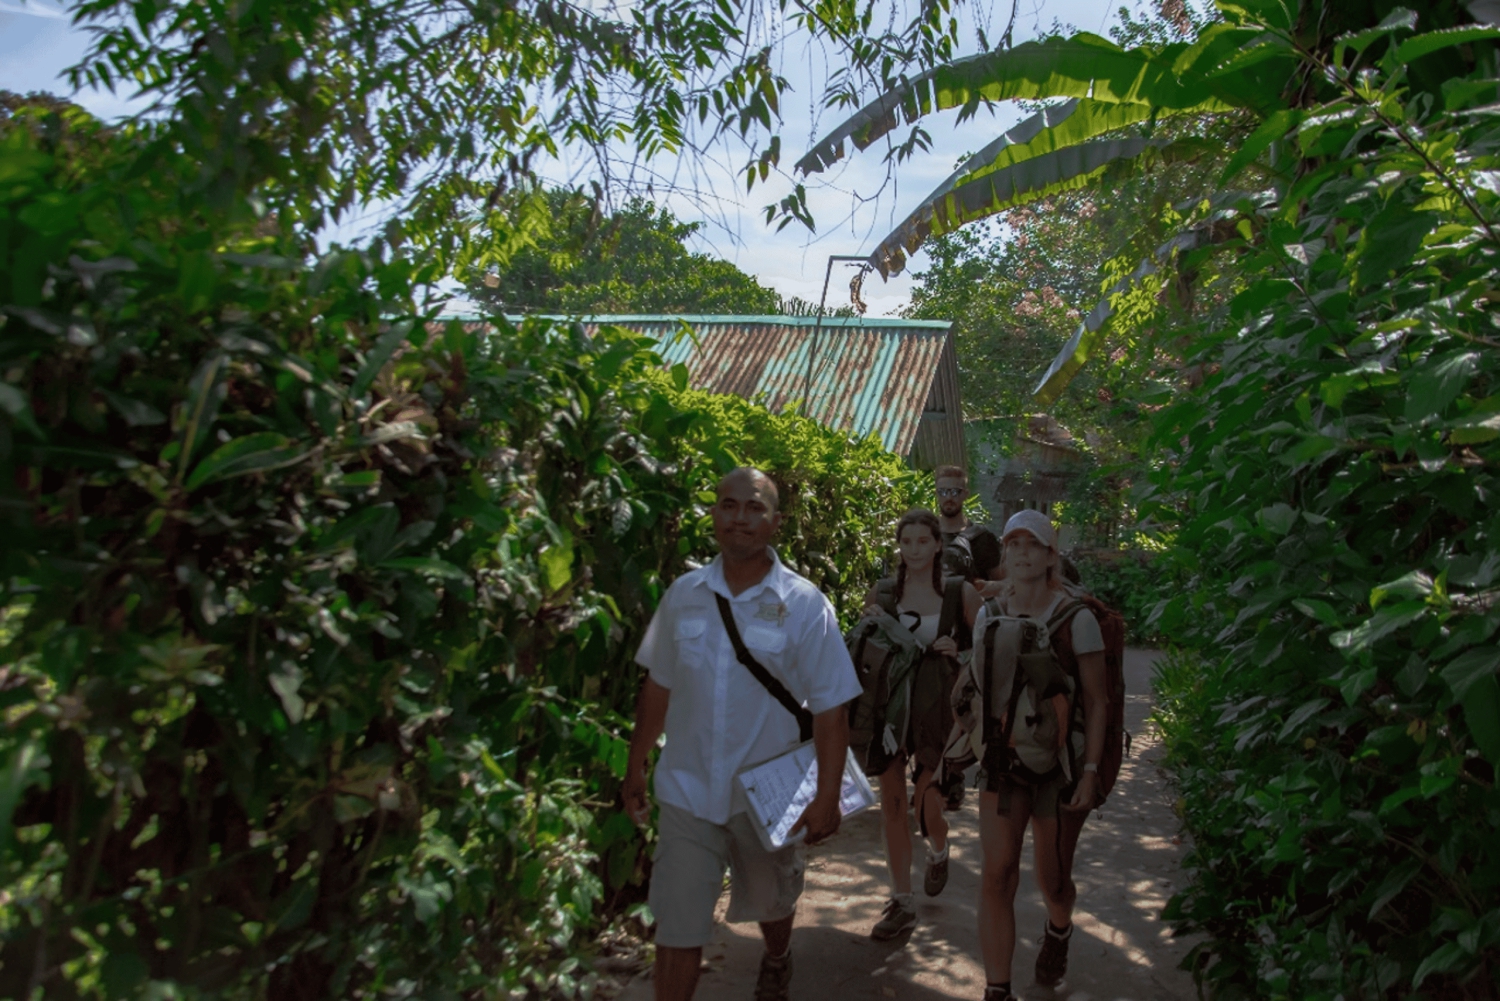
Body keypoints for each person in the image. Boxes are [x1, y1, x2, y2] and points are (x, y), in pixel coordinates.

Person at [622, 467, 862, 1001]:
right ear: (714, 515)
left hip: (766, 799)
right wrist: (636, 763)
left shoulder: (804, 605)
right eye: (729, 505)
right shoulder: (683, 595)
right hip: (686, 792)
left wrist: (827, 796)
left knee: (772, 903)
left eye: (754, 508)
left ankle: (777, 954)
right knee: (678, 928)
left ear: (775, 522)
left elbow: (830, 711)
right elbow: (658, 687)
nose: (740, 518)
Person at [974, 510, 1108, 1001]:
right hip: (1002, 763)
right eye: (1013, 545)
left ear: (1052, 556)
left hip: (1061, 768)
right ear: (1004, 555)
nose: (1021, 553)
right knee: (997, 871)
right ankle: (997, 988)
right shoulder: (989, 616)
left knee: (1051, 881)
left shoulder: (1078, 620)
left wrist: (1090, 771)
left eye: (1033, 545)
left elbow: (1097, 701)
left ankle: (1058, 928)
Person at [862, 509, 981, 941]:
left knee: (925, 802)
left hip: (939, 707)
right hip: (890, 709)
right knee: (892, 803)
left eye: (922, 541)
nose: (913, 549)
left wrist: (960, 654)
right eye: (906, 541)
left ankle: (938, 848)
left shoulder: (958, 593)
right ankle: (901, 901)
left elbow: (989, 647)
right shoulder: (882, 593)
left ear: (936, 545)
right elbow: (863, 651)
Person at [934, 465, 1003, 591]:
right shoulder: (926, 536)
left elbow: (1002, 583)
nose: (949, 498)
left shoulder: (983, 538)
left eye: (955, 492)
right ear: (936, 494)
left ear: (965, 494)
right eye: (943, 492)